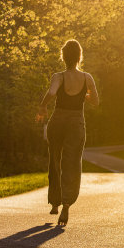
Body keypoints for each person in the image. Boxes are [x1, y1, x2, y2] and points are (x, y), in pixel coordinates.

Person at [36, 39, 99, 225]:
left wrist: (42, 107)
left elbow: (52, 92)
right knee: (72, 162)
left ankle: (54, 203)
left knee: (55, 159)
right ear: (80, 57)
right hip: (76, 122)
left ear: (63, 57)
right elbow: (95, 102)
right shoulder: (87, 77)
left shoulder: (59, 76)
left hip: (58, 120)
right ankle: (66, 205)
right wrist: (84, 95)